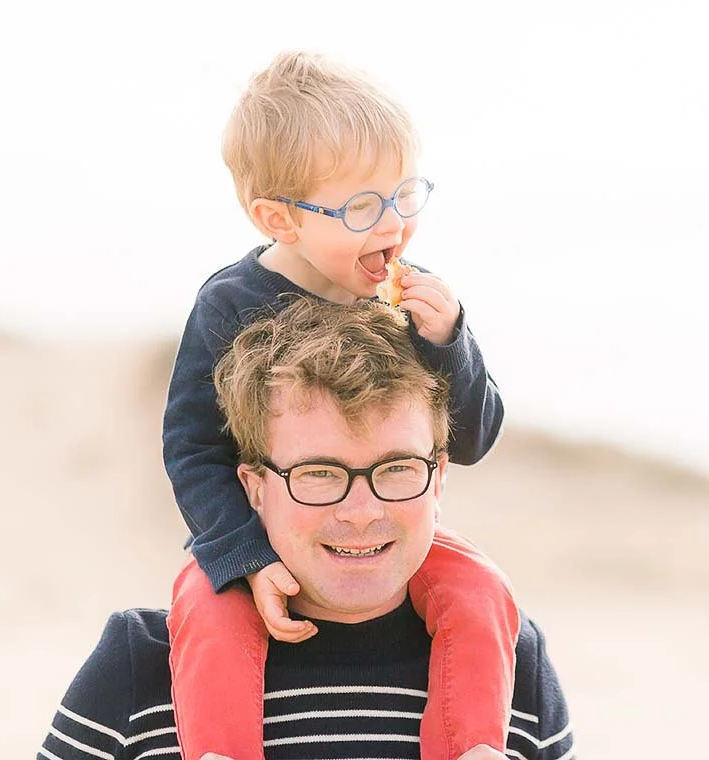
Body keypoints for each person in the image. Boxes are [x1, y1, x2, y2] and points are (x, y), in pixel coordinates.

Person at [159, 51, 516, 760]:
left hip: (386, 524)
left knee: (479, 587)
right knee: (205, 606)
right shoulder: (230, 305)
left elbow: (473, 437)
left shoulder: (417, 300)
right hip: (261, 531)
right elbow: (192, 447)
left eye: (404, 197)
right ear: (279, 218)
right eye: (361, 208)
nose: (393, 226)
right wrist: (244, 554)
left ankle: (470, 746)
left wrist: (451, 341)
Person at [38, 299, 575, 760]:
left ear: (438, 476)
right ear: (252, 487)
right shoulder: (140, 666)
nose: (361, 510)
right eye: (319, 473)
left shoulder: (513, 664)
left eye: (396, 469)